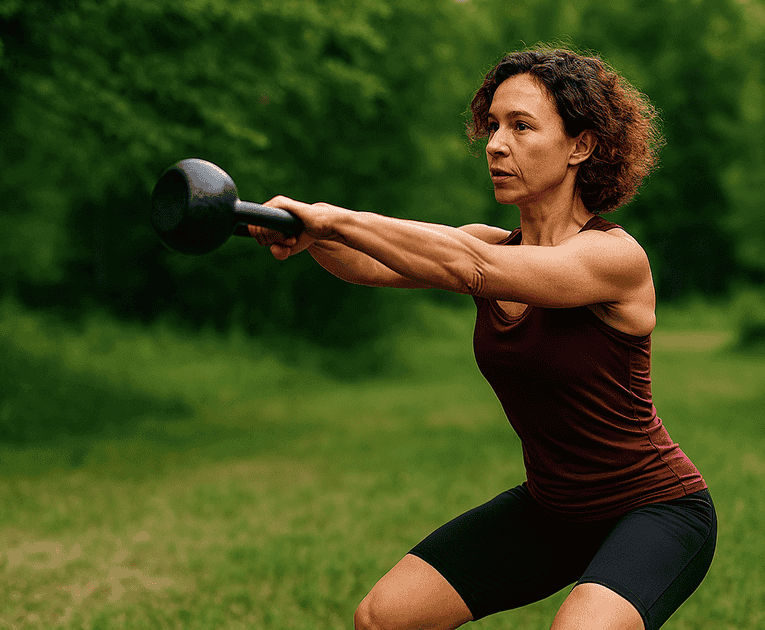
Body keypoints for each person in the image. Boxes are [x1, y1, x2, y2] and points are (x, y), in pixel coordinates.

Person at [249, 46, 716, 630]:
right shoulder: (489, 244)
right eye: (493, 126)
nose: (496, 144)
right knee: (382, 618)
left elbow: (470, 268)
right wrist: (302, 231)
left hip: (655, 509)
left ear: (581, 146)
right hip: (554, 510)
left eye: (522, 127)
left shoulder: (613, 257)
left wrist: (333, 217)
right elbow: (370, 265)